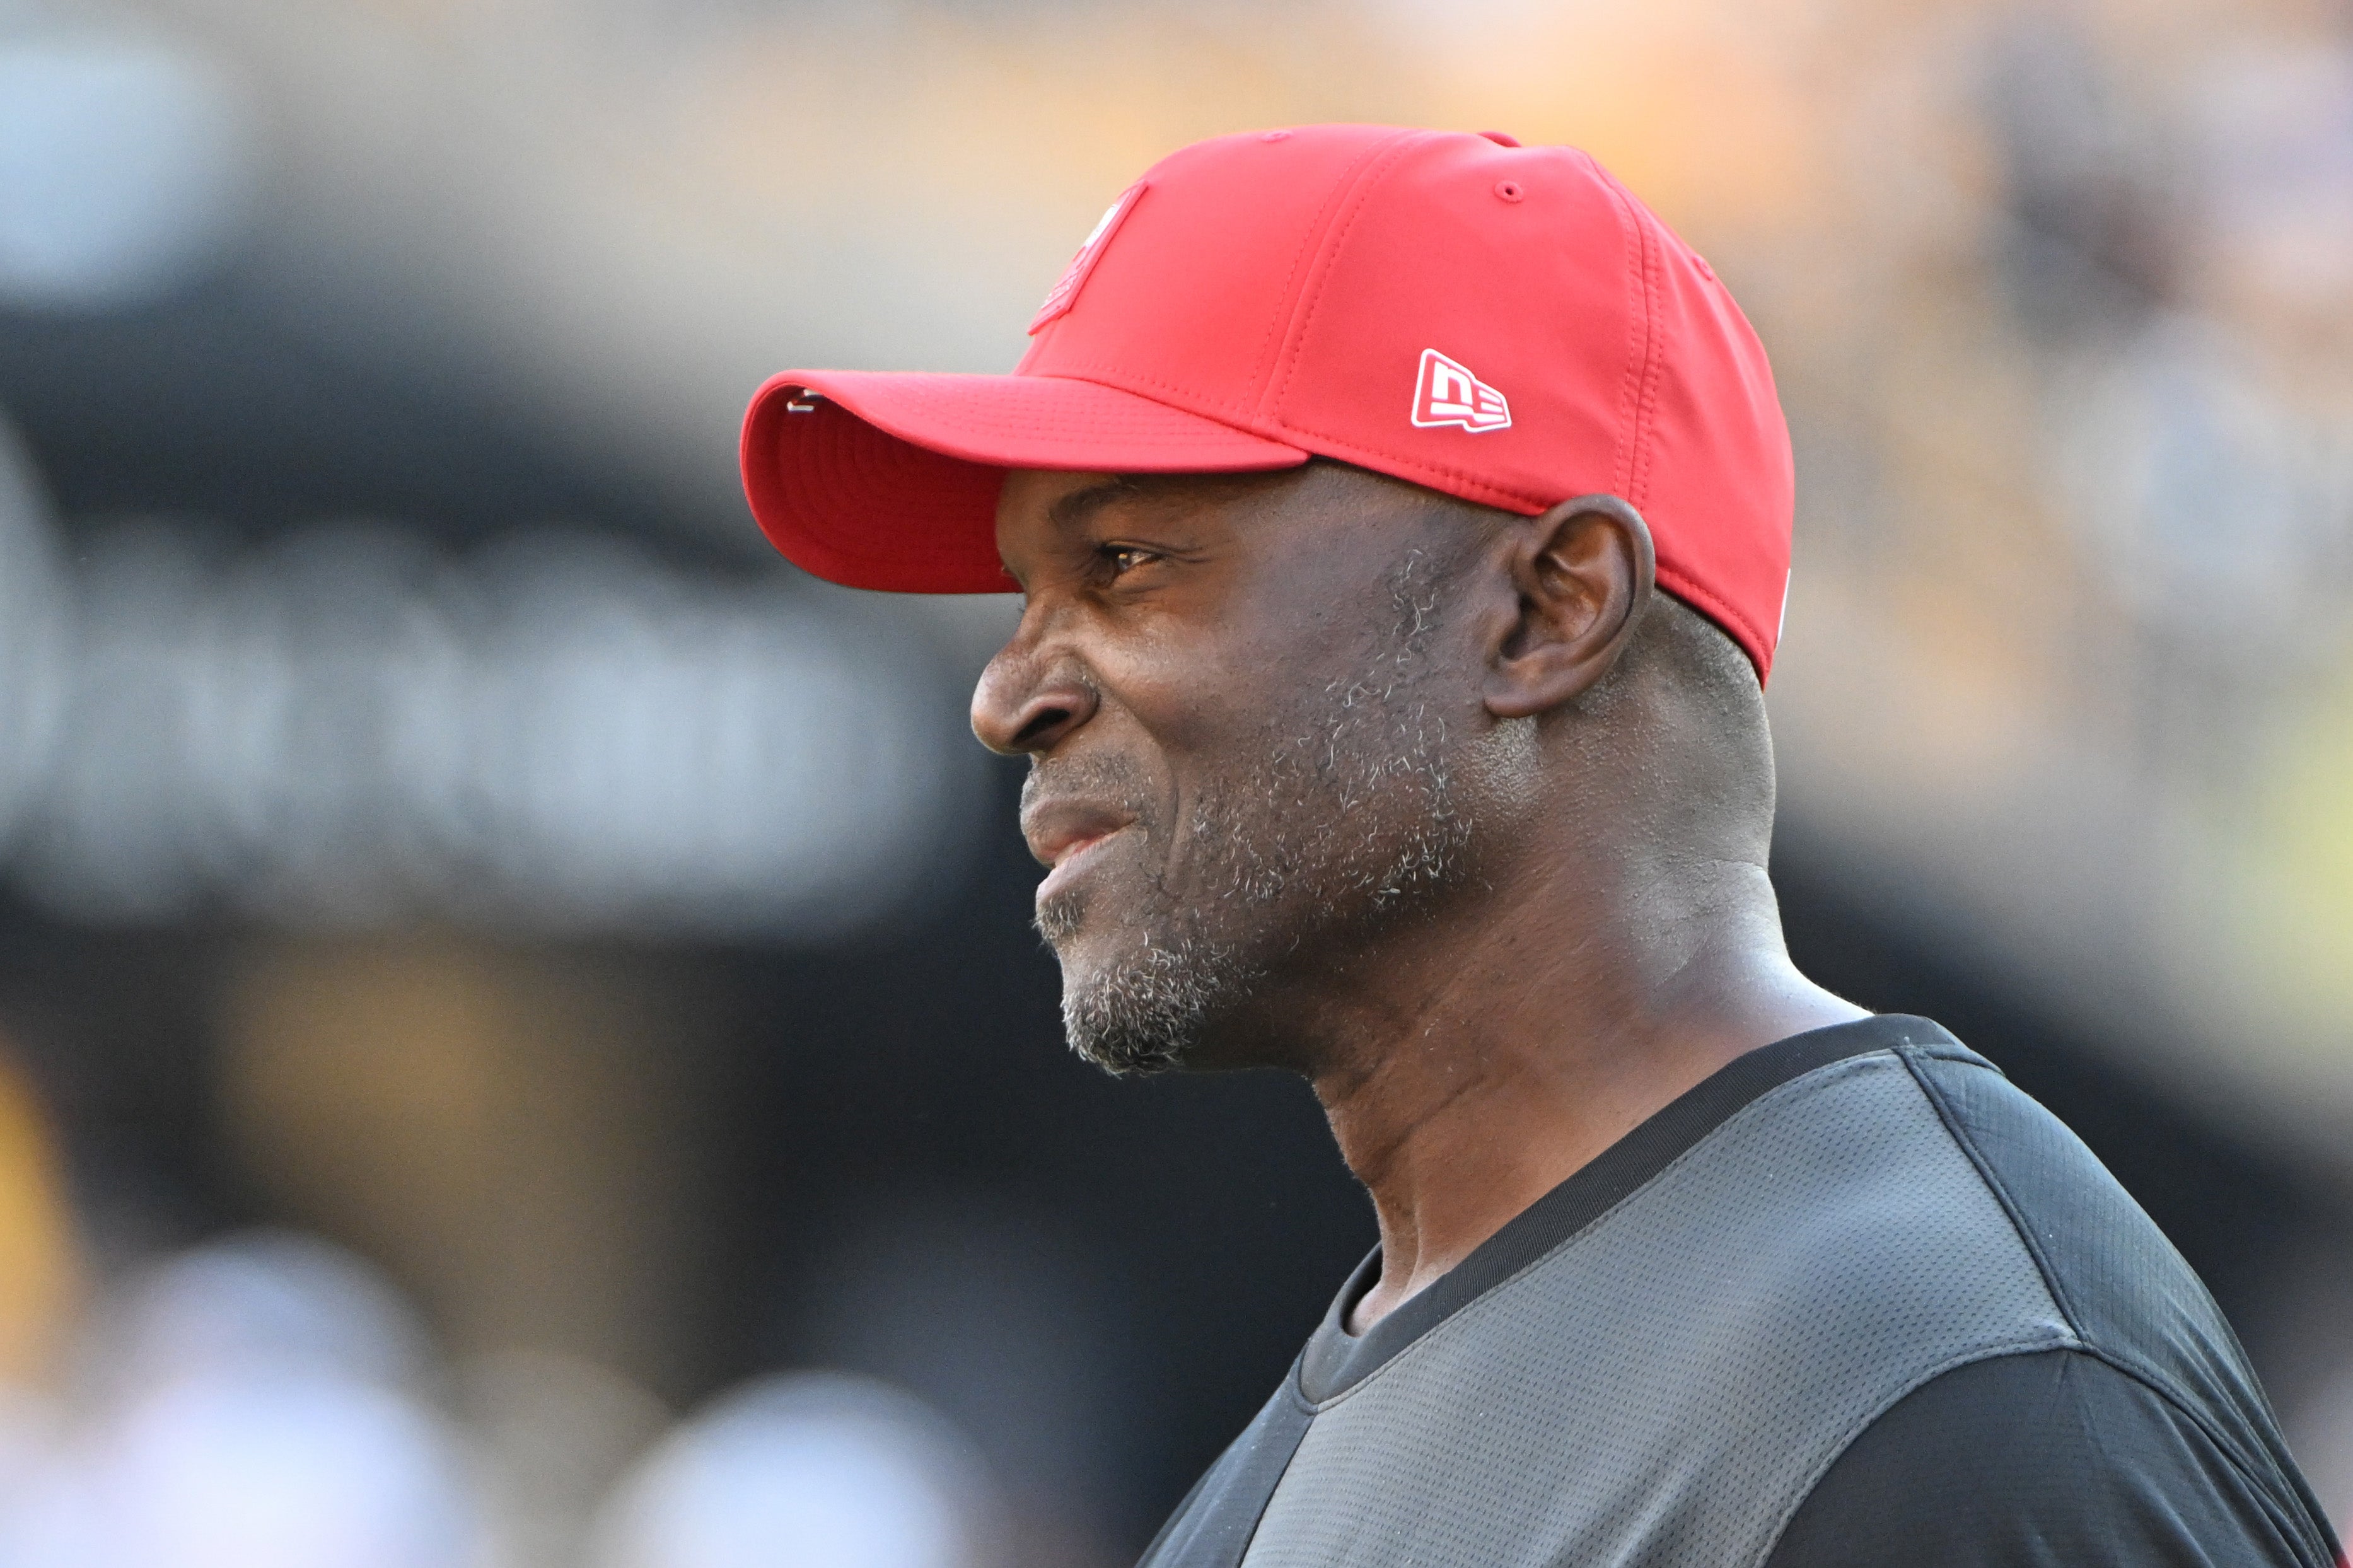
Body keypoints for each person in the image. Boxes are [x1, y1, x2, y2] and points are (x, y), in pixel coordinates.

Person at [737, 125, 2342, 1567]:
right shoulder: (1308, 1447)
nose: (1008, 691)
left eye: (1130, 560)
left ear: (1547, 609)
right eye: (1025, 597)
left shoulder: (1943, 1395)